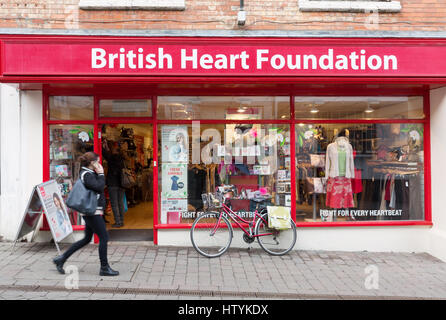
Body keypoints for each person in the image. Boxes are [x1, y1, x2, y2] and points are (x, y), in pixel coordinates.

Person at [52, 152, 119, 277]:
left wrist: (98, 174)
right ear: (92, 163)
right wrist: (101, 174)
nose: (99, 164)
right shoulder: (87, 174)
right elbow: (99, 187)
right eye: (97, 162)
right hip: (91, 211)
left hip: (91, 211)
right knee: (104, 237)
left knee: (87, 238)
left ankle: (61, 259)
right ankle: (104, 267)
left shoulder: (88, 173)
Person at [102, 140, 126, 228]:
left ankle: (118, 222)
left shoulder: (111, 157)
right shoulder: (122, 157)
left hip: (113, 183)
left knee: (114, 204)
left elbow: (103, 152)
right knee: (120, 203)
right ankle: (121, 221)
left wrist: (103, 144)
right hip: (122, 183)